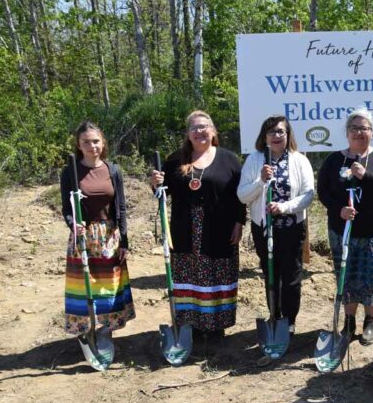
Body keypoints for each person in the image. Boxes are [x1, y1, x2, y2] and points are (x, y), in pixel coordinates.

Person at [150, 110, 245, 342]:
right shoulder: (174, 160)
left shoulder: (229, 159)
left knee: (217, 275)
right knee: (190, 276)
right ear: (188, 134)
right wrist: (155, 185)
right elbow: (162, 195)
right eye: (194, 128)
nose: (199, 131)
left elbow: (238, 196)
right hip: (185, 229)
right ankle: (191, 325)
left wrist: (240, 222)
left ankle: (216, 326)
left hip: (220, 228)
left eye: (204, 127)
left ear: (213, 131)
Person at [317, 107, 373, 345]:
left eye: (364, 128)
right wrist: (339, 210)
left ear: (372, 132)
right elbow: (323, 192)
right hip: (342, 231)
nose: (359, 132)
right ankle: (349, 321)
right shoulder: (334, 159)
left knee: (371, 278)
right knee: (345, 277)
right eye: (354, 128)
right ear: (347, 132)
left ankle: (369, 322)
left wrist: (366, 176)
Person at [61, 122, 136, 353]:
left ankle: (105, 331)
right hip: (82, 238)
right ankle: (87, 330)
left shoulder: (112, 170)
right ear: (78, 145)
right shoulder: (70, 172)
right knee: (83, 287)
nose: (92, 146)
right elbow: (66, 208)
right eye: (86, 142)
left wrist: (124, 240)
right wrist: (73, 224)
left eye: (95, 141)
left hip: (108, 237)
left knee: (108, 287)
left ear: (102, 143)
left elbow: (121, 206)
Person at [238, 115, 314, 335]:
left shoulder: (299, 160)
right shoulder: (254, 160)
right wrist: (261, 181)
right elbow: (243, 196)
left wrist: (285, 207)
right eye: (272, 132)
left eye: (281, 131)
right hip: (264, 227)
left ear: (288, 135)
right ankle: (275, 315)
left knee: (291, 275)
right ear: (265, 136)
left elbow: (308, 195)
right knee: (271, 273)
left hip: (292, 228)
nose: (276, 136)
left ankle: (289, 321)